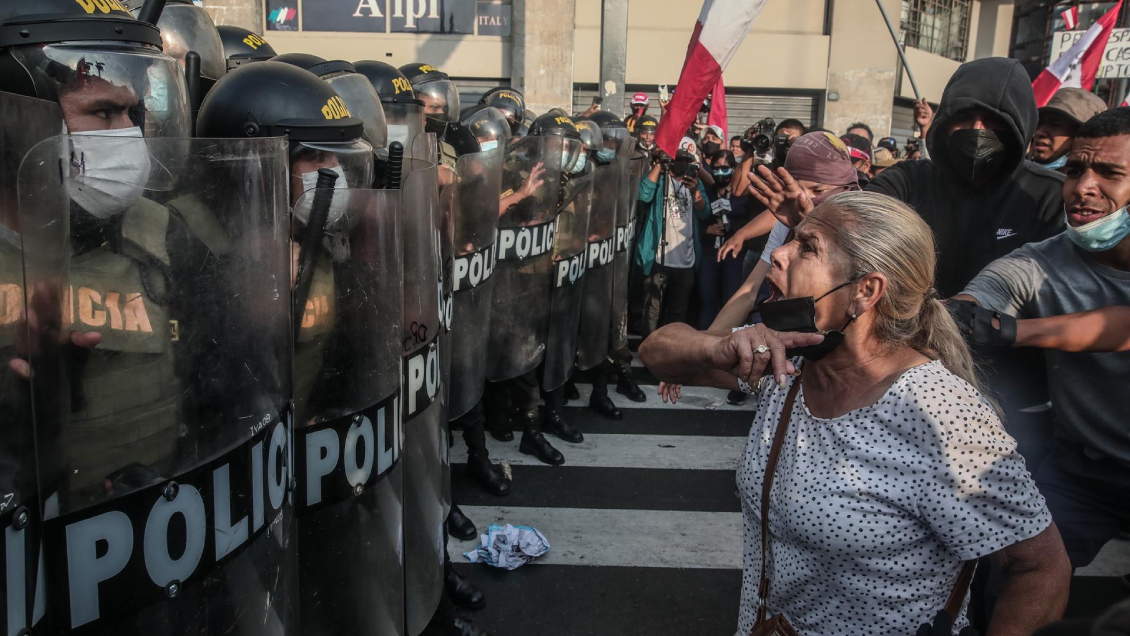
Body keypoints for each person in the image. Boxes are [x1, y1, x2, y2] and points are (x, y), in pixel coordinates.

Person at [639, 191, 1071, 636]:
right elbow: (657, 353)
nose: (779, 256)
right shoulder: (789, 359)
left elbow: (1041, 569)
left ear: (866, 291)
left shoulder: (939, 412)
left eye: (807, 247)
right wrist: (717, 345)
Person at [953, 107, 1130, 571]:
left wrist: (1014, 331)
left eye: (1108, 173)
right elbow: (972, 305)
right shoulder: (1040, 261)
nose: (1083, 187)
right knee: (1015, 573)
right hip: (1081, 470)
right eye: (1074, 170)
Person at [635, 147, 710, 336]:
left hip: (686, 260)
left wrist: (695, 192)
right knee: (652, 310)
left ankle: (670, 353)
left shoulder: (695, 183)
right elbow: (643, 195)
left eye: (686, 160)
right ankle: (648, 349)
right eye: (678, 159)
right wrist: (660, 164)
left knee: (678, 312)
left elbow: (705, 212)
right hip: (658, 258)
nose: (682, 163)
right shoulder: (661, 179)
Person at [1030, 87, 1106, 172]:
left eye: (1054, 125)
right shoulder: (1017, 172)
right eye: (1039, 123)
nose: (1039, 132)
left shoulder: (1086, 184)